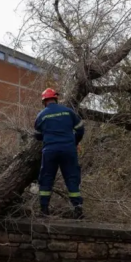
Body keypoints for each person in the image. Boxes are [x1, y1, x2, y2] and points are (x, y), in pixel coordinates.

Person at [34, 88, 85, 219]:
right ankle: (78, 209)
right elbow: (80, 129)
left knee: (46, 178)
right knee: (72, 178)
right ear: (56, 99)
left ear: (44, 101)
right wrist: (74, 141)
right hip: (68, 150)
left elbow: (38, 136)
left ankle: (44, 210)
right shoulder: (68, 112)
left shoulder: (41, 115)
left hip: (50, 151)